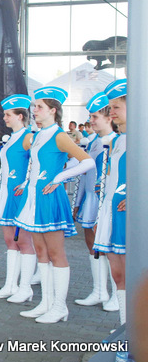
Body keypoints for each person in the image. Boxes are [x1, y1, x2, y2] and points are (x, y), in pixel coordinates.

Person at [13, 86, 94, 323]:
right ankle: (46, 303)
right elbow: (36, 166)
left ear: (53, 110)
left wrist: (59, 177)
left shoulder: (60, 135)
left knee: (56, 253)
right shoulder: (38, 135)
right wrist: (28, 182)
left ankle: (60, 307)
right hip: (35, 197)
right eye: (34, 106)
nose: (34, 110)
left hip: (50, 198)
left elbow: (87, 162)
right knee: (41, 252)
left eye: (39, 107)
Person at [0, 94, 35, 301]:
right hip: (6, 193)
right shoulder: (11, 138)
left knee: (23, 240)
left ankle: (26, 288)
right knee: (9, 240)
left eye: (8, 115)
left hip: (20, 195)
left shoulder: (28, 137)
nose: (4, 118)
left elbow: (39, 162)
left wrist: (26, 184)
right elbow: (5, 171)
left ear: (20, 116)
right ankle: (10, 285)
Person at [73, 92, 117, 310]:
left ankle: (118, 294)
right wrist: (78, 202)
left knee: (111, 248)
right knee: (93, 245)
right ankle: (99, 291)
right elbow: (86, 175)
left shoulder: (118, 141)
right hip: (91, 200)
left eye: (95, 117)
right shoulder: (94, 142)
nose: (90, 121)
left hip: (108, 202)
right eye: (90, 116)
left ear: (109, 118)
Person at [93, 79, 128, 326]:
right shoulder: (116, 140)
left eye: (116, 107)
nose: (111, 112)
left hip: (130, 215)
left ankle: (138, 333)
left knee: (134, 275)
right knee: (118, 274)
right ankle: (126, 328)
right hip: (111, 210)